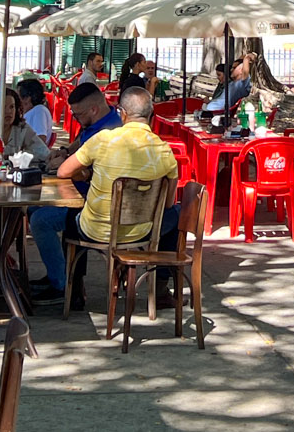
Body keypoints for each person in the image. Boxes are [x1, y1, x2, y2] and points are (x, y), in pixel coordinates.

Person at [47, 86, 179, 310]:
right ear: (152, 115)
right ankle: (161, 288)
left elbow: (62, 172)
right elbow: (167, 203)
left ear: (122, 113)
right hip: (141, 232)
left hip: (96, 230)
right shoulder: (165, 151)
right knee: (173, 217)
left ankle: (74, 288)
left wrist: (87, 173)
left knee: (72, 217)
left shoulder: (103, 140)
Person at [27, 81, 123, 301]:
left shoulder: (107, 134)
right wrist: (66, 150)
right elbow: (82, 138)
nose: (75, 118)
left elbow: (70, 172)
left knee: (41, 220)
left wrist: (65, 163)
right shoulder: (101, 119)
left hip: (93, 206)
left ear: (94, 109)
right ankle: (58, 274)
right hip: (81, 195)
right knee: (33, 209)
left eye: (78, 114)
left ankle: (62, 285)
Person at [16, 77, 54, 143]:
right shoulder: (33, 111)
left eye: (18, 96)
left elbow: (41, 139)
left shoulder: (39, 111)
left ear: (27, 98)